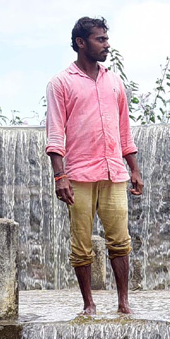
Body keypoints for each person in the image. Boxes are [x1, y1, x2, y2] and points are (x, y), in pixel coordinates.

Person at [46, 16, 144, 316]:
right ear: (81, 43)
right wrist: (59, 175)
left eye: (106, 38)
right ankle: (89, 303)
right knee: (81, 243)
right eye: (100, 39)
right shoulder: (61, 83)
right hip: (78, 175)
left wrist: (135, 169)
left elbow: (124, 130)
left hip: (114, 172)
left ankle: (123, 302)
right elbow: (54, 132)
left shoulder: (114, 81)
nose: (107, 44)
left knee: (120, 240)